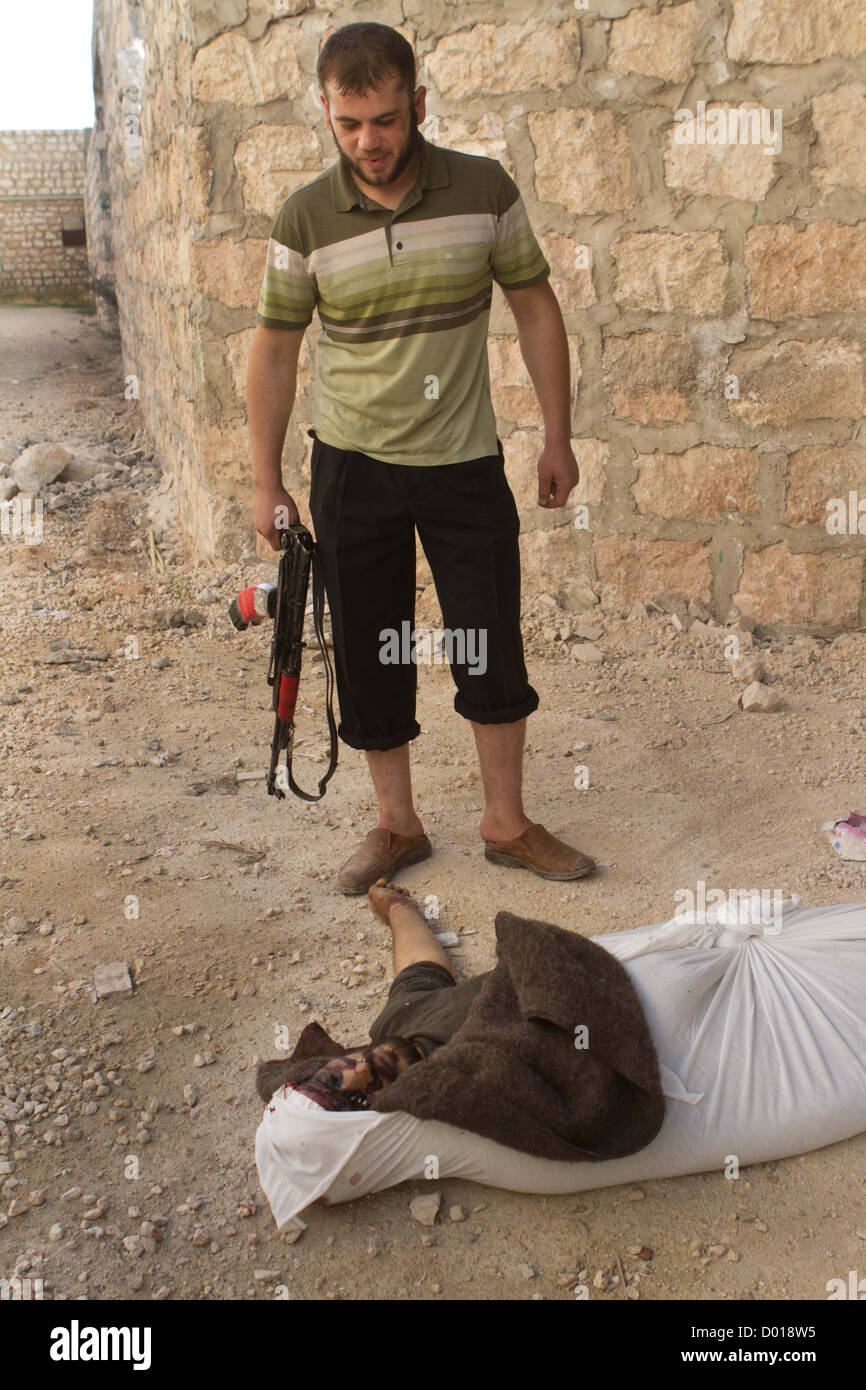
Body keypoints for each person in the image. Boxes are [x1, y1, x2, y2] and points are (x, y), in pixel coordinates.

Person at [248, 20, 595, 894]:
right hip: (352, 466)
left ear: (419, 107)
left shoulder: (482, 189)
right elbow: (276, 351)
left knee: (489, 644)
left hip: (463, 461)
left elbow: (537, 308)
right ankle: (398, 828)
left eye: (387, 120)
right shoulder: (306, 217)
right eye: (351, 122)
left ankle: (506, 822)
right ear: (327, 115)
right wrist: (266, 479)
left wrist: (558, 433)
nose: (370, 141)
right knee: (371, 650)